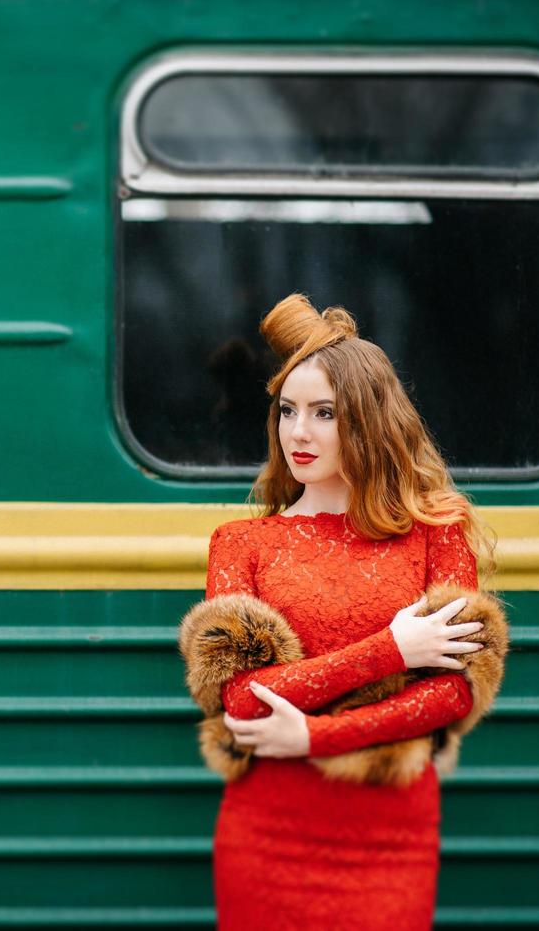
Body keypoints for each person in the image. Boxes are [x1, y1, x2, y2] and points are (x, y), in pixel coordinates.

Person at [203, 293, 497, 930]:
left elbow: (453, 693)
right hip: (267, 830)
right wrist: (393, 651)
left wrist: (313, 736)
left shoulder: (435, 533)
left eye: (324, 413)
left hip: (389, 833)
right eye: (287, 411)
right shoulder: (241, 543)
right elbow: (243, 702)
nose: (298, 433)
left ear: (365, 421)